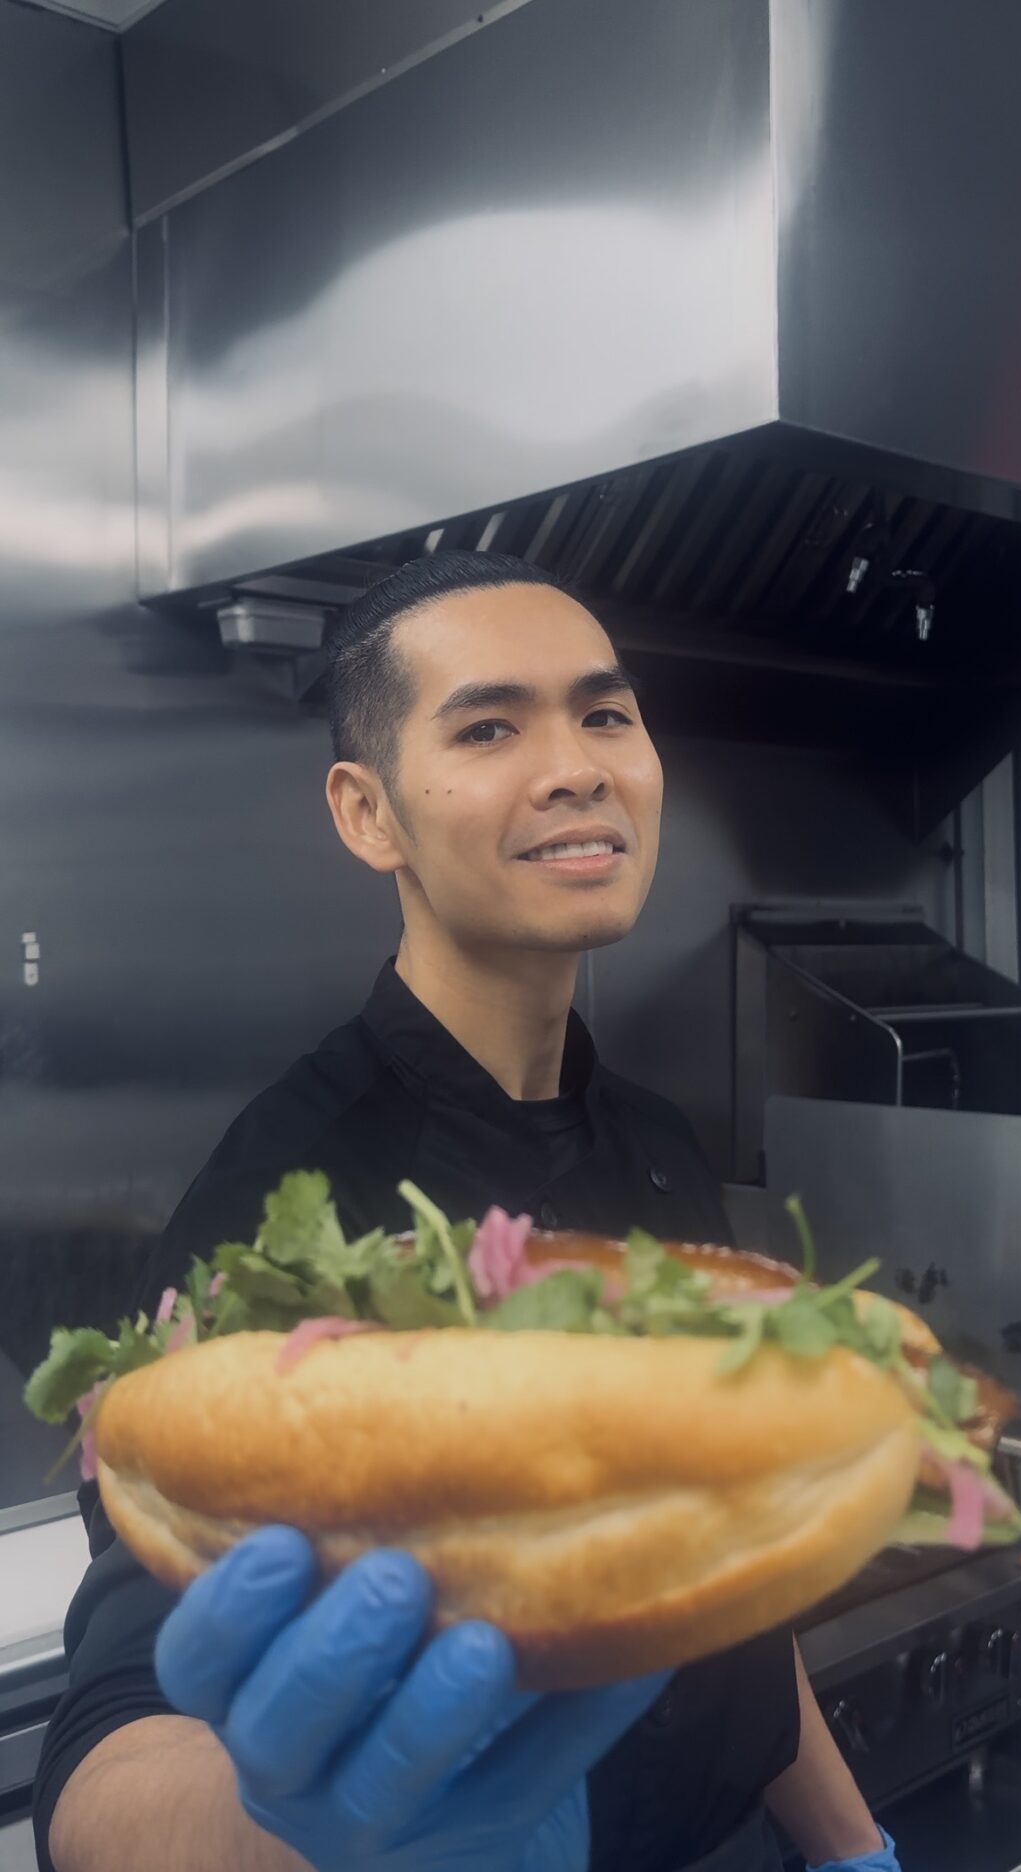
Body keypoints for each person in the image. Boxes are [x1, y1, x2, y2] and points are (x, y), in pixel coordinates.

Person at [35, 554, 901, 1872]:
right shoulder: (289, 1211)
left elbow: (719, 1567)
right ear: (367, 812)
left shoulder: (657, 1145)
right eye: (489, 728)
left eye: (604, 713)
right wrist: (290, 1827)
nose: (575, 767)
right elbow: (110, 1755)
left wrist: (850, 1849)